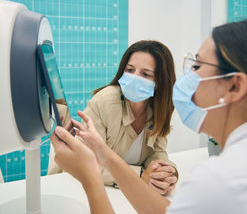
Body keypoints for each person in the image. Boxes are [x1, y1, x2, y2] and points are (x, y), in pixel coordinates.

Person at [50, 19, 247, 214]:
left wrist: (92, 180)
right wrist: (107, 160)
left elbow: (160, 157)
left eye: (196, 67)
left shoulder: (222, 180)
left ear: (235, 87)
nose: (187, 79)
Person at [48, 40, 178, 195]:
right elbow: (86, 164)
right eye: (130, 70)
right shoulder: (104, 102)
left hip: (118, 193)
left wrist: (167, 173)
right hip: (73, 187)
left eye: (146, 74)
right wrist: (140, 176)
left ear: (160, 82)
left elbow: (156, 152)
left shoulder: (159, 108)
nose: (134, 77)